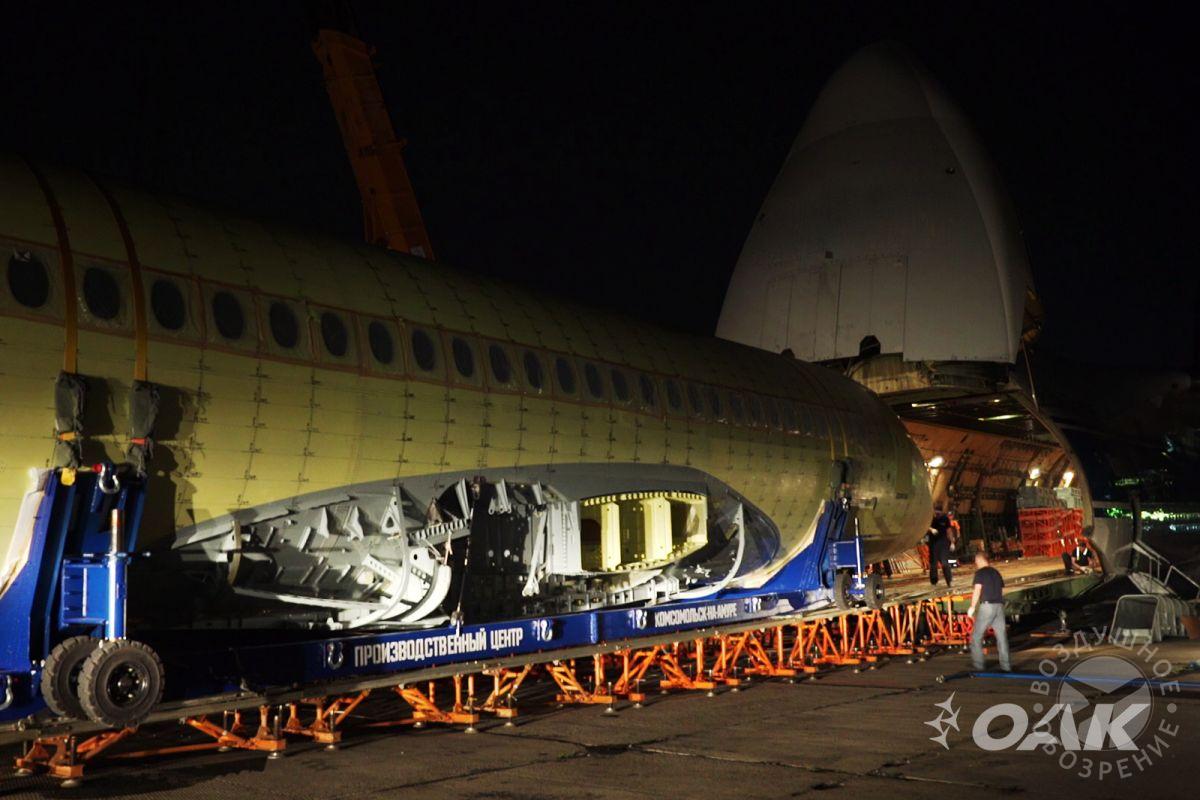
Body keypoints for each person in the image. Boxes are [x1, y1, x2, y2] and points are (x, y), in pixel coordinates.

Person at [968, 553, 1011, 672]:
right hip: (999, 606)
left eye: (976, 561)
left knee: (976, 636)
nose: (975, 564)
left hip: (987, 607)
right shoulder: (996, 572)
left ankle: (979, 666)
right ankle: (1006, 666)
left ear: (980, 560)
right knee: (1002, 637)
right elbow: (1001, 589)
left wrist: (972, 607)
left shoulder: (980, 573)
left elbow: (977, 590)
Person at [927, 508, 954, 587]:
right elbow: (924, 527)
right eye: (936, 512)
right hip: (933, 544)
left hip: (943, 544)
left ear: (941, 512)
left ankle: (949, 581)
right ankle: (934, 582)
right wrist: (931, 529)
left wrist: (952, 542)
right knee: (933, 564)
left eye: (939, 512)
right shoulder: (930, 518)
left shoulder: (945, 519)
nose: (937, 513)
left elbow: (949, 531)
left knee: (945, 563)